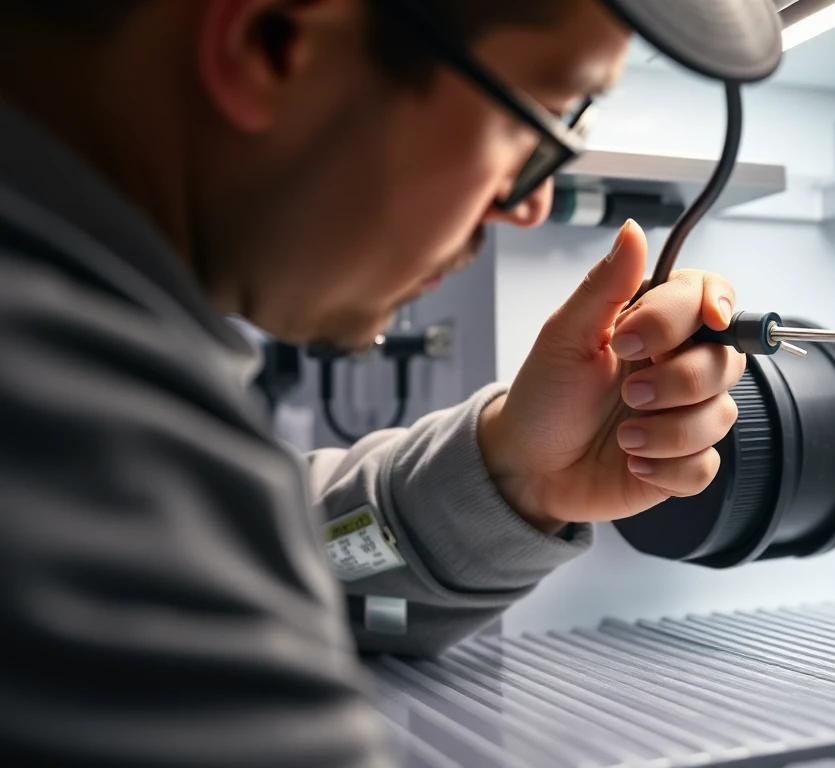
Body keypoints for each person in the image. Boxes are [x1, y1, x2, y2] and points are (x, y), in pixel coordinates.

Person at [0, 0, 782, 764]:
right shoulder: (71, 449)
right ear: (271, 43)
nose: (530, 201)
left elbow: (279, 551)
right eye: (534, 119)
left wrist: (516, 474)